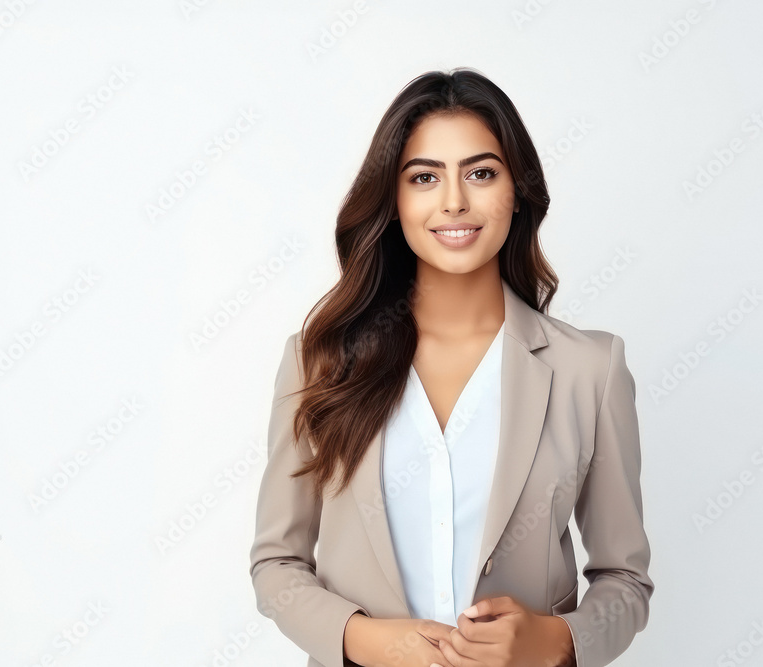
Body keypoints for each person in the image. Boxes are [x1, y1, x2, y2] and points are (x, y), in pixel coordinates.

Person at [249, 67, 654, 667]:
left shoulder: (589, 369)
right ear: (393, 199)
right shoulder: (319, 361)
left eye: (482, 173)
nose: (454, 201)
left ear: (517, 192)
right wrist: (363, 638)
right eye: (424, 177)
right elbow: (276, 563)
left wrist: (557, 640)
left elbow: (625, 579)